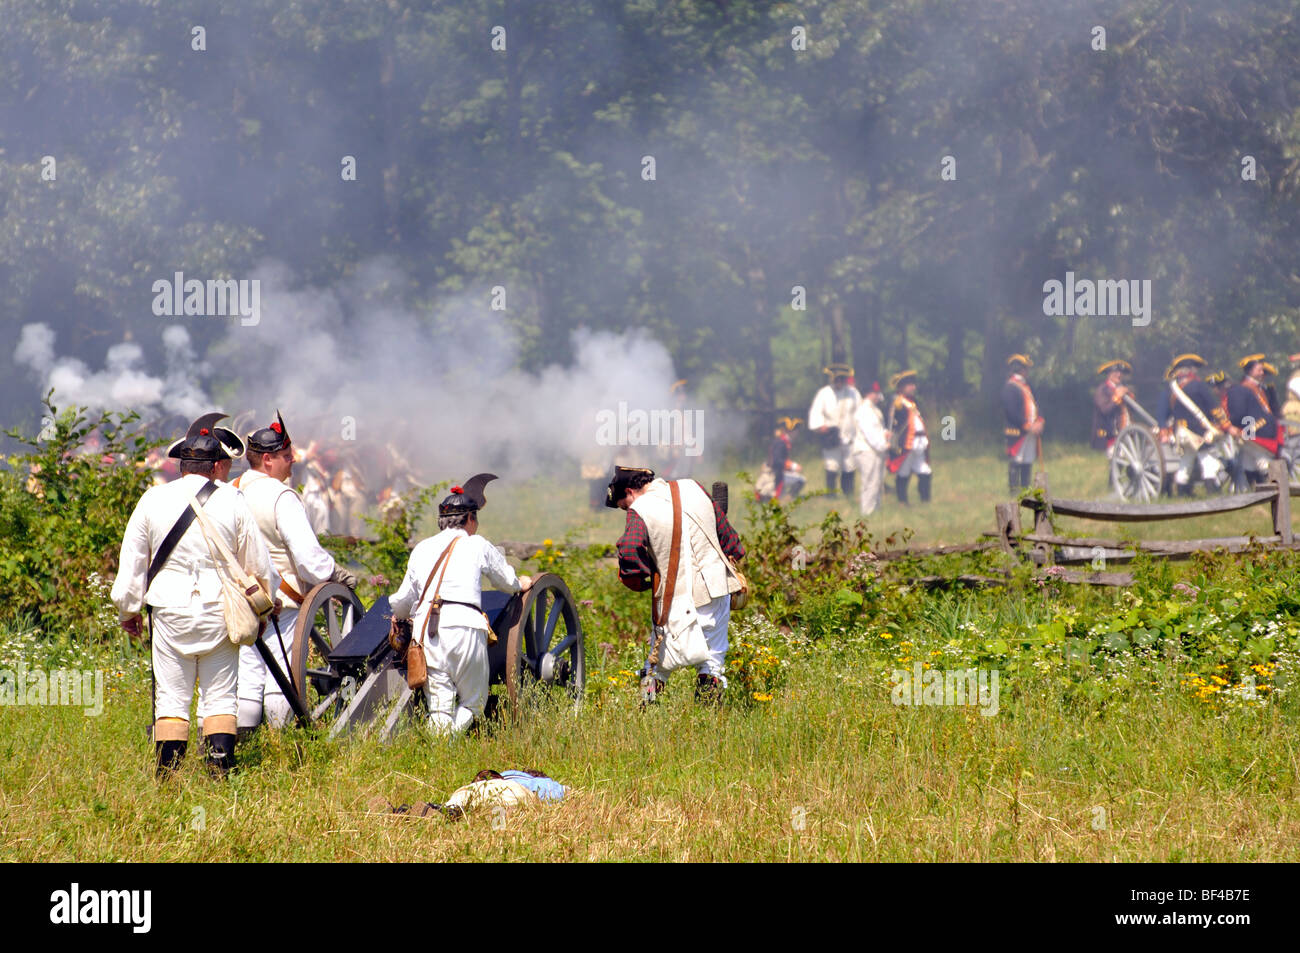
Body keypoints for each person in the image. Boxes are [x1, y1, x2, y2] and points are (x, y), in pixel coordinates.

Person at [110, 421, 273, 778]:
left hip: (169, 612)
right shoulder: (233, 500)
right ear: (216, 466)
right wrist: (261, 610)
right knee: (220, 697)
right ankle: (220, 774)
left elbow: (133, 563)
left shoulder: (153, 499)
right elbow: (258, 565)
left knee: (171, 699)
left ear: (180, 465)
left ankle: (168, 778)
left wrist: (128, 610)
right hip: (220, 611)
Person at [232, 412, 358, 732]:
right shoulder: (282, 496)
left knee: (247, 674)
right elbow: (308, 559)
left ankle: (241, 743)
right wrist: (335, 574)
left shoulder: (231, 492)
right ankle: (279, 742)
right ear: (268, 459)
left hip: (239, 599)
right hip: (281, 601)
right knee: (281, 674)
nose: (293, 461)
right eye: (287, 456)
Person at [389, 474, 532, 735]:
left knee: (440, 708)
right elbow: (506, 581)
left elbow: (403, 601)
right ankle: (452, 742)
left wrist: (397, 614)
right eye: (475, 518)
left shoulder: (421, 549)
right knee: (475, 702)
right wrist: (520, 583)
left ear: (442, 521)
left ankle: (441, 751)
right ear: (469, 519)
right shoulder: (476, 544)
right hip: (466, 628)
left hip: (427, 634)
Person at [607, 465, 745, 702]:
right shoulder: (694, 486)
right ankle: (709, 722)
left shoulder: (639, 509)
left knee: (657, 668)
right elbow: (730, 540)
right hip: (716, 593)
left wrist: (640, 582)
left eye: (623, 505)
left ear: (629, 491)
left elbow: (629, 550)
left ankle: (645, 714)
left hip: (675, 601)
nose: (626, 509)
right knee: (712, 664)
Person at [1157, 353, 1235, 494]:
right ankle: (1212, 492)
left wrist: (1163, 429)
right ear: (1191, 370)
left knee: (1185, 462)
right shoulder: (1199, 386)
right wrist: (1225, 424)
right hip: (1198, 431)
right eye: (1195, 368)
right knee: (1208, 460)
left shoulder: (1171, 389)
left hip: (1180, 433)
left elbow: (1162, 413)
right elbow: (1214, 408)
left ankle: (1182, 492)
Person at [1227, 354, 1283, 485]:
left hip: (1258, 430)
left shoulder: (1258, 388)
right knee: (1262, 461)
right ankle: (1274, 490)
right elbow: (1239, 413)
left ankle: (1255, 491)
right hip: (1254, 431)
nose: (1262, 372)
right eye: (1259, 370)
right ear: (1250, 371)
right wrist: (1243, 428)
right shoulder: (1242, 388)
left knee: (1250, 463)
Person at [807, 363, 861, 498]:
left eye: (842, 379)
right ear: (832, 379)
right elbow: (816, 412)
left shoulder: (853, 393)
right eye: (837, 379)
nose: (840, 382)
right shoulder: (824, 393)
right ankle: (830, 495)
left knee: (849, 466)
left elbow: (860, 412)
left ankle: (848, 493)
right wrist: (820, 426)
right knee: (832, 465)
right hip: (831, 436)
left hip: (850, 436)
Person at [887, 370, 931, 504]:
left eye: (913, 384)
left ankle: (925, 500)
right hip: (906, 443)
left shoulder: (913, 402)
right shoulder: (898, 403)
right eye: (909, 385)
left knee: (925, 471)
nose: (913, 387)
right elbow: (891, 424)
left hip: (919, 442)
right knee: (904, 471)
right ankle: (902, 501)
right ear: (901, 387)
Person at [1003, 354, 1044, 490]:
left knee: (1027, 459)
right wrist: (1027, 426)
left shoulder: (1027, 386)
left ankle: (1025, 488)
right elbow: (1012, 412)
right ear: (1020, 369)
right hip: (1018, 431)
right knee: (1016, 460)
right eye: (1026, 369)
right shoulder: (1010, 387)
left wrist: (1039, 421)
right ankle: (1014, 491)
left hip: (1031, 430)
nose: (1028, 372)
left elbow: (1036, 405)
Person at [851, 382, 891, 515]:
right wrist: (883, 445)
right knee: (870, 482)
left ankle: (876, 509)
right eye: (876, 394)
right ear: (869, 394)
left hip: (875, 450)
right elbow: (870, 434)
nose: (878, 397)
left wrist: (885, 434)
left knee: (877, 482)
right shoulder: (864, 411)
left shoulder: (874, 410)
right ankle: (867, 512)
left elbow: (877, 430)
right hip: (867, 451)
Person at [755, 417, 806, 502]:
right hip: (774, 474)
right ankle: (788, 498)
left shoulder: (783, 441)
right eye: (795, 431)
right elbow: (776, 461)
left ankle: (786, 498)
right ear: (789, 431)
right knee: (801, 480)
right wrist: (792, 466)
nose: (797, 433)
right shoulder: (781, 443)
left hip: (776, 472)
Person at [1091, 360, 1132, 455]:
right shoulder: (1102, 390)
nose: (1119, 375)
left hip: (1125, 431)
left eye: (1120, 372)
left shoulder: (1123, 388)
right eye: (1115, 372)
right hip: (1109, 434)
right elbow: (1105, 410)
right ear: (1109, 374)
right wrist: (1117, 398)